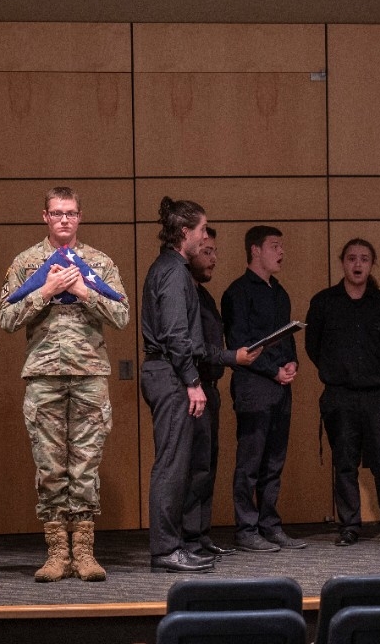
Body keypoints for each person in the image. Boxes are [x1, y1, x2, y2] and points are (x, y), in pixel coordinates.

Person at [0, 186, 129, 582]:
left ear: (80, 216)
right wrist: (47, 291)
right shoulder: (26, 263)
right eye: (56, 213)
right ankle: (57, 553)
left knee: (86, 465)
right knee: (51, 466)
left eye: (70, 213)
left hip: (90, 375)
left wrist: (83, 292)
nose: (63, 220)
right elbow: (6, 319)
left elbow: (122, 316)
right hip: (44, 376)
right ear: (45, 216)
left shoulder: (99, 263)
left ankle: (84, 553)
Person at [141, 204, 260, 572]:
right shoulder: (172, 272)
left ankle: (180, 543)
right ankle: (165, 549)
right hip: (171, 374)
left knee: (186, 465)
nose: (207, 237)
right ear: (185, 233)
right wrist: (193, 382)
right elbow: (177, 335)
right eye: (203, 230)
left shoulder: (174, 270)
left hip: (173, 372)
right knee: (172, 466)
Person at [305, 238, 380, 547]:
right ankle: (349, 525)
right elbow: (313, 347)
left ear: (371, 264)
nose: (357, 264)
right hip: (339, 394)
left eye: (364, 259)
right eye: (352, 258)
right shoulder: (324, 302)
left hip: (377, 395)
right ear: (342, 262)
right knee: (345, 462)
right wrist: (337, 371)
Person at [222, 225, 304, 552]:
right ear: (255, 250)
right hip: (254, 388)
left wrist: (292, 363)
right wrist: (274, 371)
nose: (281, 252)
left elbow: (286, 336)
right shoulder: (237, 293)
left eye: (281, 246)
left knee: (274, 461)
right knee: (250, 463)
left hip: (280, 387)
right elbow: (240, 344)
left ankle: (270, 525)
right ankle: (246, 529)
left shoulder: (279, 292)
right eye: (274, 246)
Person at [183, 226, 258, 557]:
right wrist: (234, 357)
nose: (213, 258)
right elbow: (195, 348)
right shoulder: (184, 292)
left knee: (207, 467)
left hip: (210, 388)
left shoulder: (204, 294)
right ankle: (187, 538)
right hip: (192, 389)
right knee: (193, 469)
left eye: (214, 252)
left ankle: (200, 535)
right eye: (207, 251)